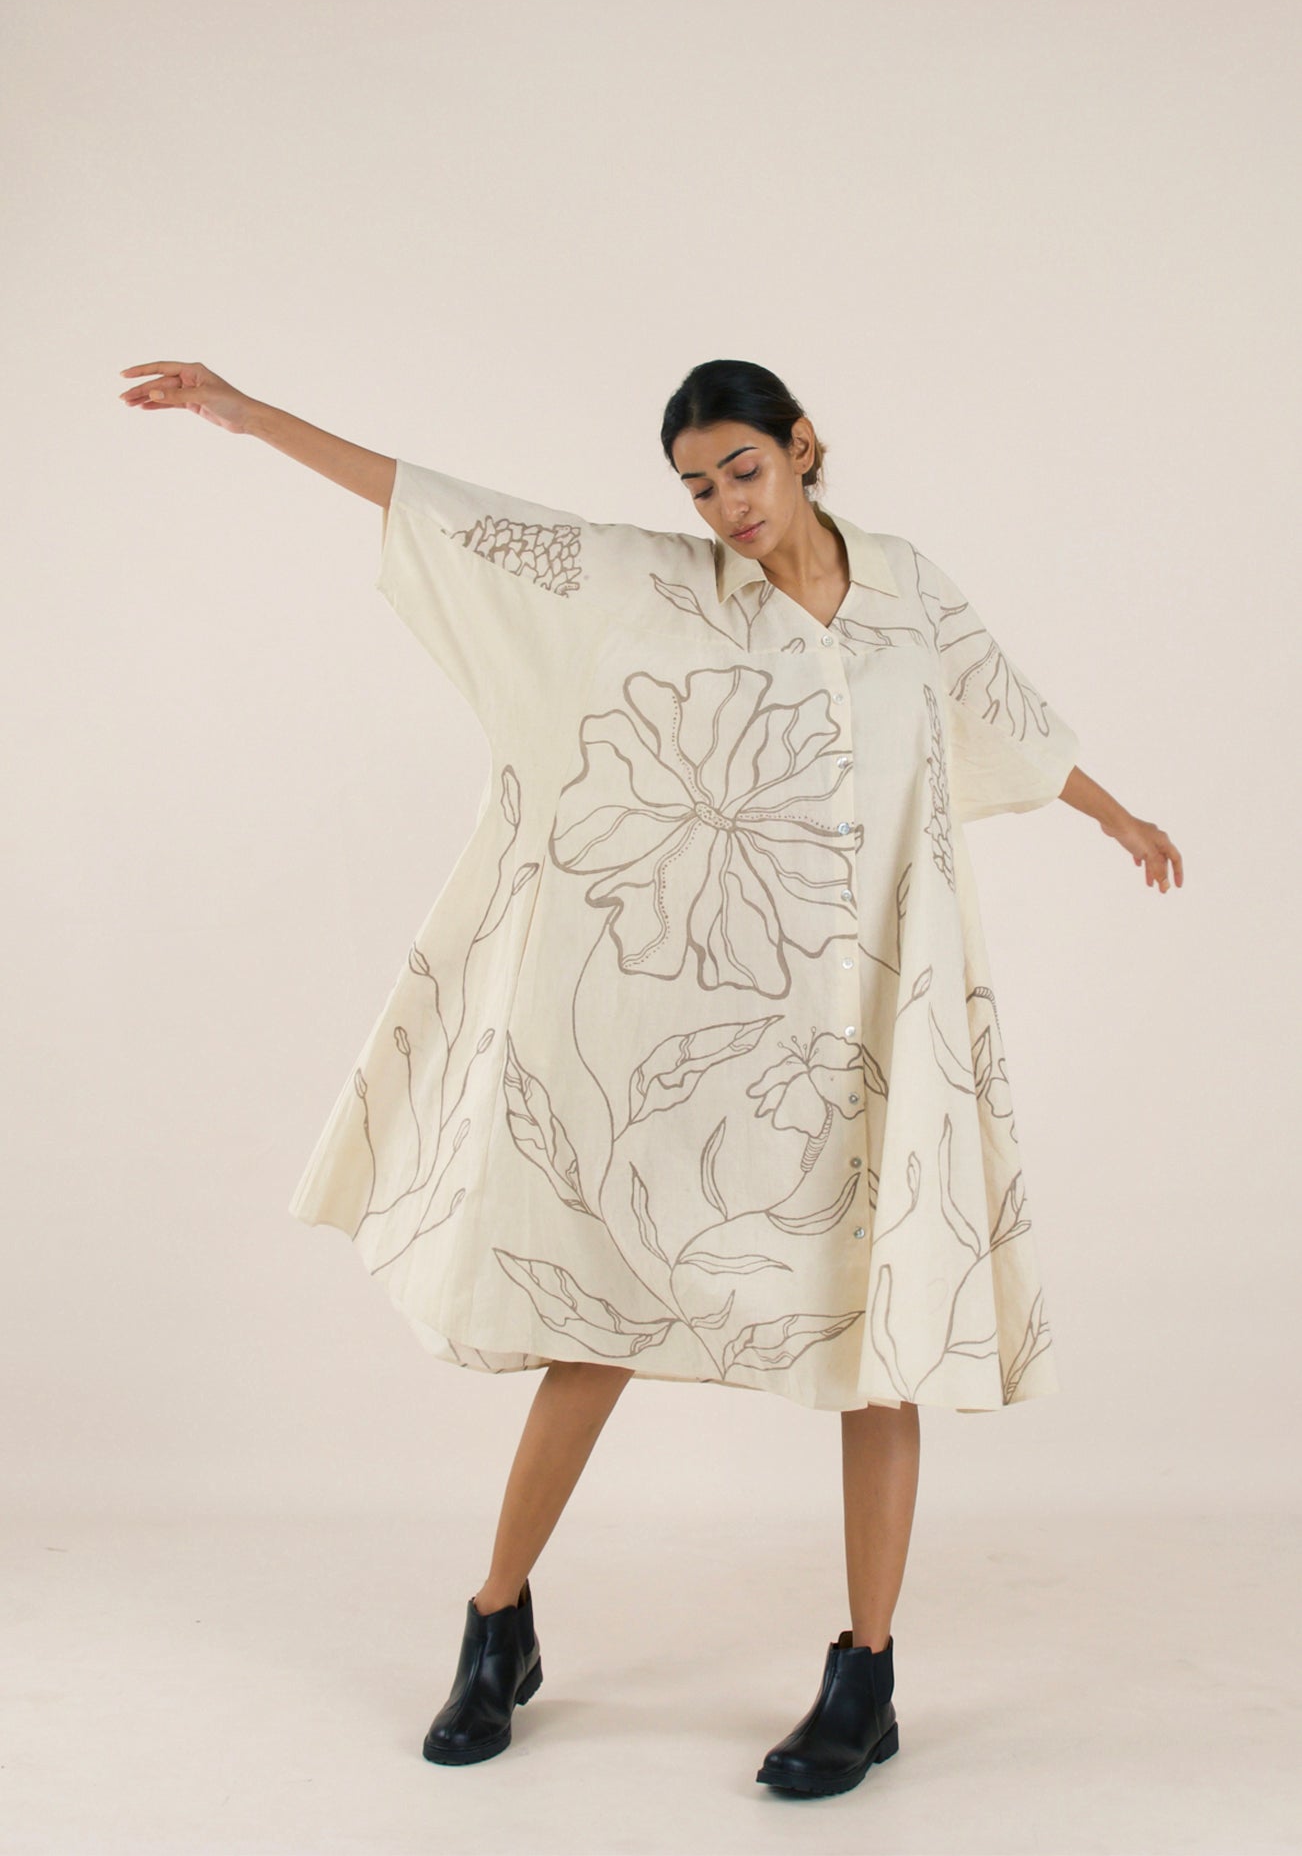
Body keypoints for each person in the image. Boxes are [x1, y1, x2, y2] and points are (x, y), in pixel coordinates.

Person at [118, 356, 1182, 1800]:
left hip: (868, 1035)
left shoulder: (908, 589)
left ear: (803, 446)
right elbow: (454, 514)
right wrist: (252, 419)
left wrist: (1117, 816)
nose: (726, 505)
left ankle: (863, 1677)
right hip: (691, 1041)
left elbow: (1005, 717)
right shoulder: (656, 585)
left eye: (744, 469)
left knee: (885, 1345)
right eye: (697, 486)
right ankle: (496, 1626)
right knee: (597, 1314)